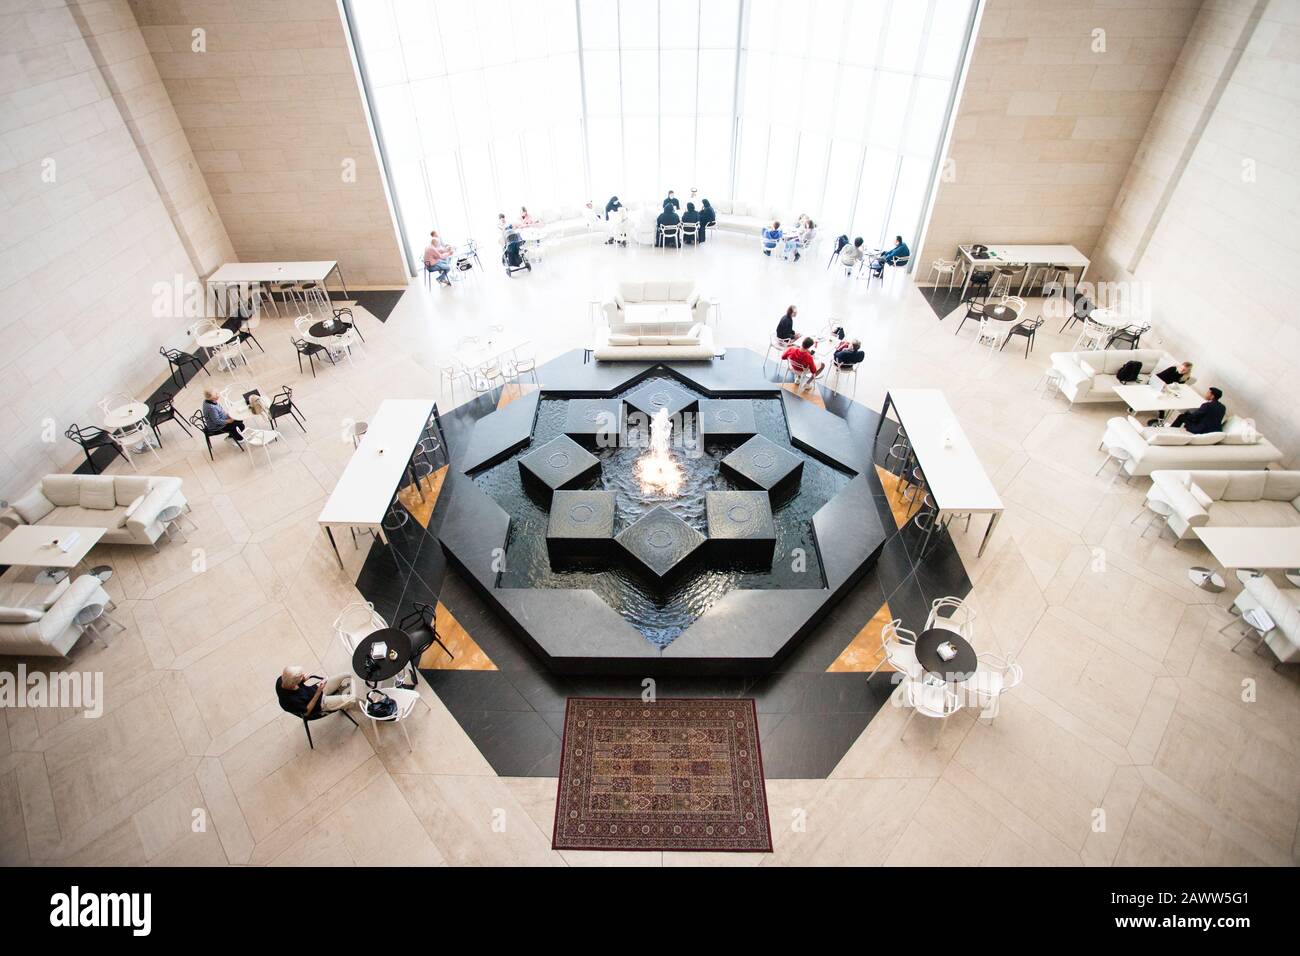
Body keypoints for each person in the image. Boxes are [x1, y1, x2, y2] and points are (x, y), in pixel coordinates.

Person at [276, 666, 355, 717]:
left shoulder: (282, 680)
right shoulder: (290, 701)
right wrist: (318, 693)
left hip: (315, 690)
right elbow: (306, 712)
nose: (303, 675)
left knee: (346, 675)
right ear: (293, 684)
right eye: (301, 677)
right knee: (352, 699)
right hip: (319, 704)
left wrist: (302, 680)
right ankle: (361, 707)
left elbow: (297, 684)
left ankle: (341, 702)